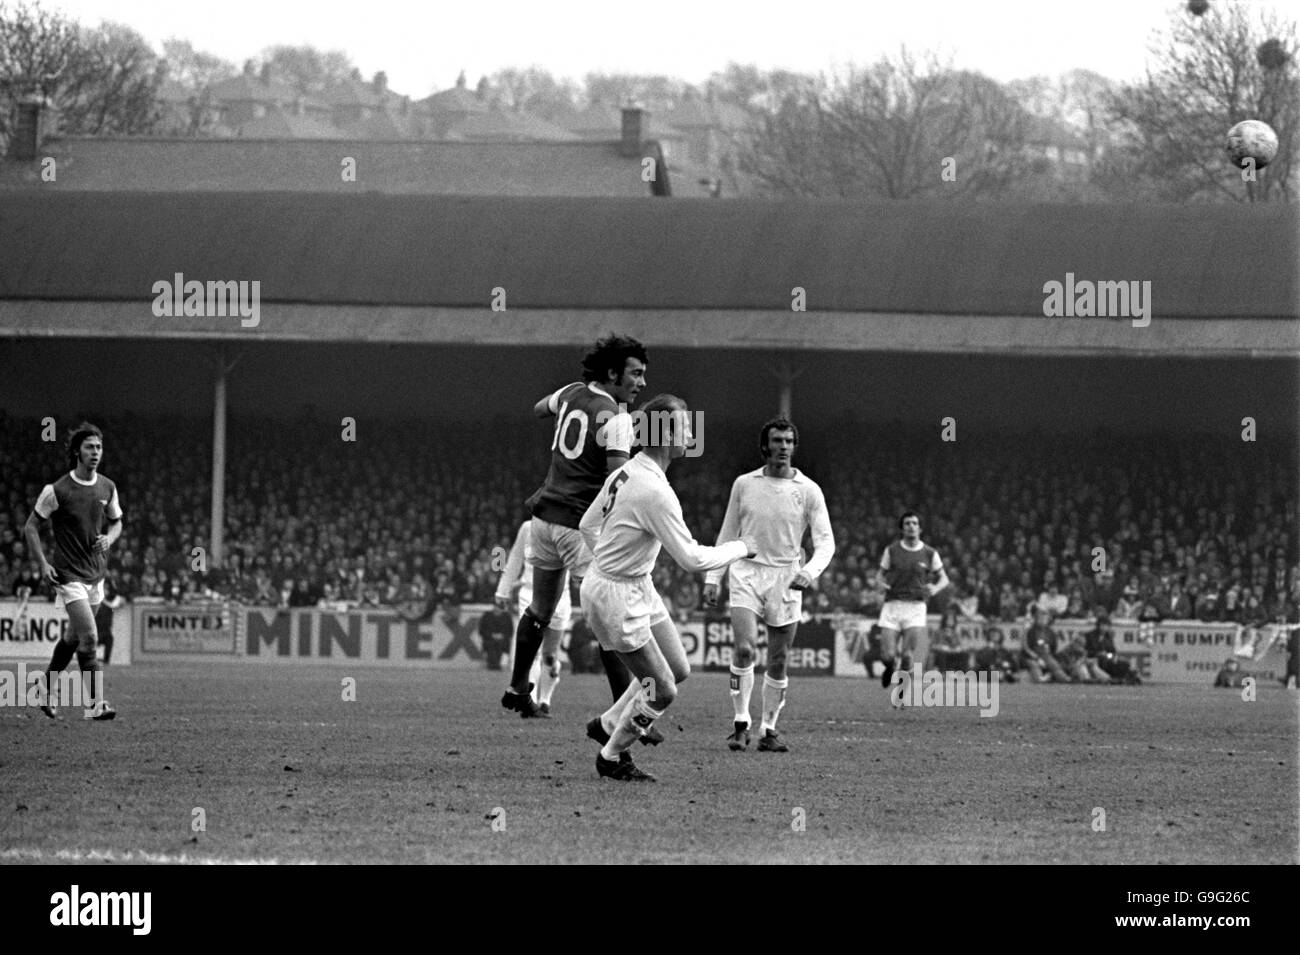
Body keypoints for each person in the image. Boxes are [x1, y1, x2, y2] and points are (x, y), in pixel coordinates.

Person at [578, 395, 755, 781]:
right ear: (663, 433)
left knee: (677, 668)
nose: (692, 432)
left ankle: (608, 723)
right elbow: (691, 559)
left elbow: (588, 526)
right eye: (684, 425)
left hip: (631, 583)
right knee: (663, 690)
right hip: (616, 595)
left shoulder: (628, 472)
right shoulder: (653, 490)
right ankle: (611, 757)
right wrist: (741, 547)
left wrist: (613, 561)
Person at [502, 335, 647, 719]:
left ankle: (517, 688)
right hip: (578, 526)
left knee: (539, 610)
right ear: (613, 373)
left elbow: (538, 409)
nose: (641, 383)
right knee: (609, 621)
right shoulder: (615, 419)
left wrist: (566, 411)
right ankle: (626, 716)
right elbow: (616, 480)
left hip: (544, 518)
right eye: (636, 374)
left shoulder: (570, 392)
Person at [703, 416, 834, 753]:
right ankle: (740, 722)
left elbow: (825, 542)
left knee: (779, 659)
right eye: (777, 441)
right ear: (765, 447)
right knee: (745, 648)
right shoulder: (744, 484)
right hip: (747, 571)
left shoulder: (808, 490)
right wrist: (713, 576)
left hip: (786, 577)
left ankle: (769, 729)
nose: (783, 448)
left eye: (789, 442)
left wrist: (811, 572)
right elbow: (728, 531)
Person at [23, 423, 121, 720]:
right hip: (68, 575)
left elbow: (117, 522)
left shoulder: (108, 487)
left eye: (99, 447)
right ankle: (95, 705)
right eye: (90, 447)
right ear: (77, 451)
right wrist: (43, 564)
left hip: (95, 575)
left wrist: (110, 538)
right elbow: (30, 526)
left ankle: (43, 687)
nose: (96, 453)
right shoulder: (57, 490)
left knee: (73, 638)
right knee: (89, 637)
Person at [495, 519, 573, 713]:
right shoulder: (527, 528)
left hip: (560, 597)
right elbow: (514, 558)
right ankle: (528, 700)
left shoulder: (571, 526)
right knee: (533, 651)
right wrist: (502, 590)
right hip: (530, 594)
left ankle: (545, 700)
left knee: (549, 656)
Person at [874, 512, 949, 689]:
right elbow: (879, 575)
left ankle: (901, 689)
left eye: (915, 523)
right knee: (887, 656)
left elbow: (944, 578)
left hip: (916, 607)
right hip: (892, 605)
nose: (911, 526)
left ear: (920, 528)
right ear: (902, 528)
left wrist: (936, 588)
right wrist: (879, 585)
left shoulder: (930, 553)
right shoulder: (891, 550)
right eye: (907, 523)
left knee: (907, 656)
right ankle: (889, 668)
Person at [477, 602, 513, 671]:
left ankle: (495, 664)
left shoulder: (507, 617)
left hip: (503, 639)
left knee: (500, 644)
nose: (497, 609)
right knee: (491, 644)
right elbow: (482, 630)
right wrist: (491, 635)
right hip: (489, 638)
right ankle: (493, 664)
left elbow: (510, 631)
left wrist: (502, 635)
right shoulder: (487, 616)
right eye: (496, 607)